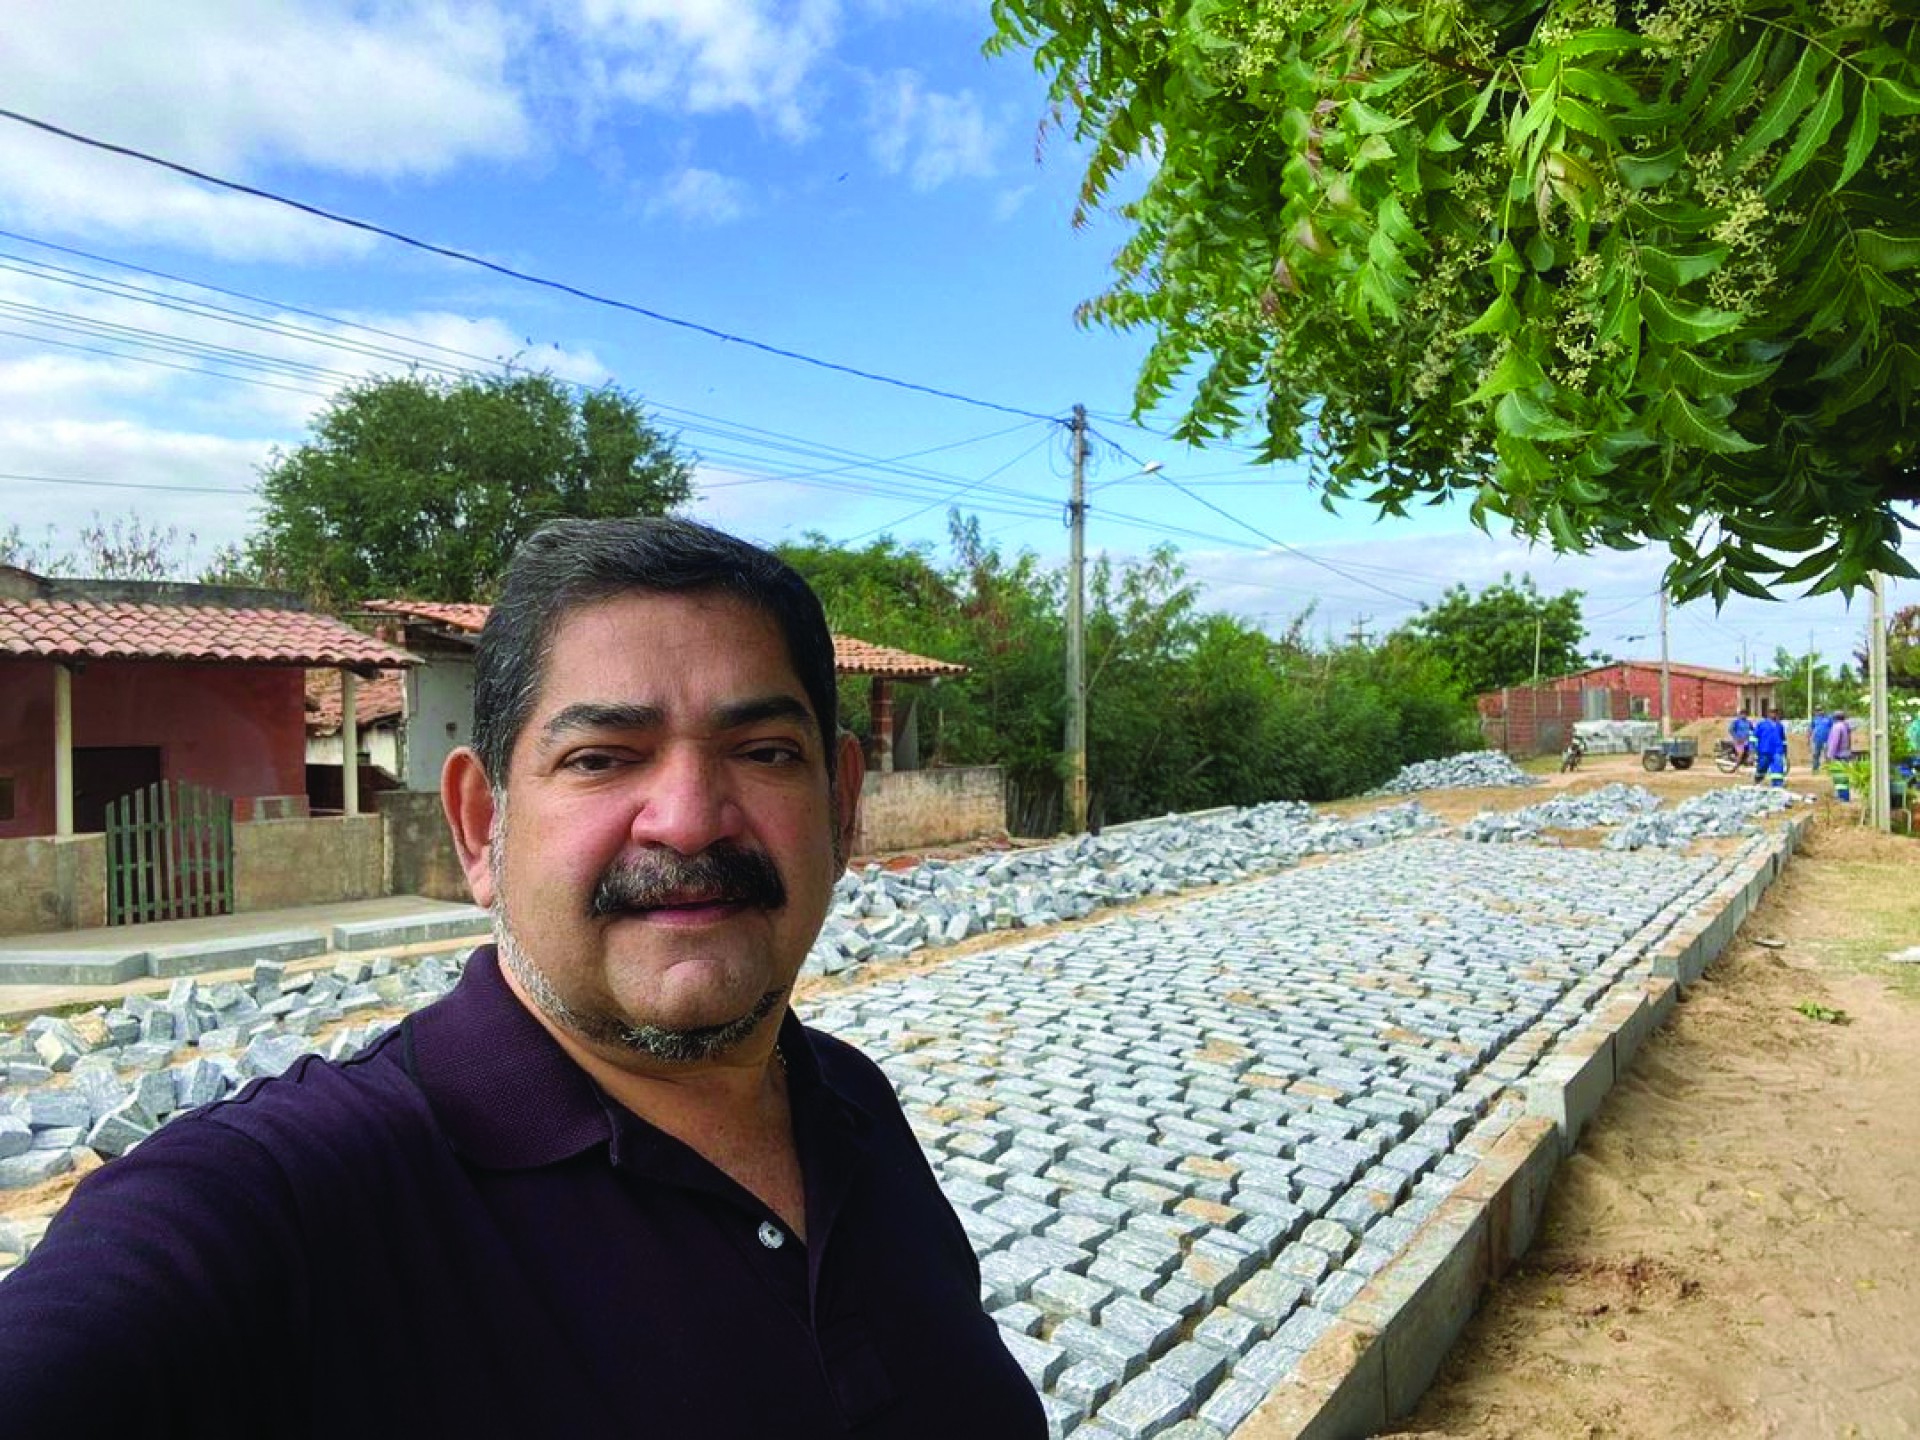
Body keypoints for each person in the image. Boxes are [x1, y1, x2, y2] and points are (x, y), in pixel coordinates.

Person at [0, 518, 1047, 1438]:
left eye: (765, 751)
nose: (687, 817)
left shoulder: (850, 1103)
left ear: (843, 806)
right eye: (601, 758)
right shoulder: (289, 1204)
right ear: (480, 826)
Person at [1753, 705, 1787, 785]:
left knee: (1778, 768)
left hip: (1777, 751)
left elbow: (1783, 740)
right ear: (1768, 713)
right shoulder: (1761, 724)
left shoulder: (1780, 726)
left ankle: (1777, 785)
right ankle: (1758, 781)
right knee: (1762, 767)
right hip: (1764, 750)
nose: (1774, 714)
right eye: (1772, 712)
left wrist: (1785, 753)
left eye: (1775, 712)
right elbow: (1754, 737)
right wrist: (1752, 750)